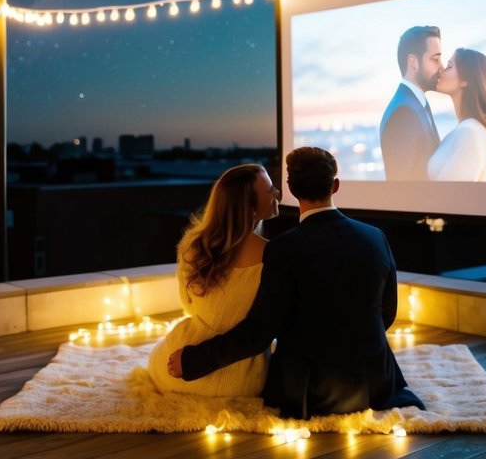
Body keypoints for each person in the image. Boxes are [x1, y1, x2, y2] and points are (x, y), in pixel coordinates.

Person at [168, 147, 424, 419]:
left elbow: (258, 332)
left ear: (290, 190)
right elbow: (387, 313)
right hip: (375, 382)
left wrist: (194, 360)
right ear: (335, 186)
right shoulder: (375, 237)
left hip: (311, 390)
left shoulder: (282, 250)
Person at [147, 163, 281, 397]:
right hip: (243, 380)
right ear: (249, 207)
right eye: (269, 189)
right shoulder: (274, 255)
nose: (277, 193)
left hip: (178, 367)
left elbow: (188, 305)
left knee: (156, 352)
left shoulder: (193, 245)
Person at [427, 47, 486, 182]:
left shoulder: (469, 133)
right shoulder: (469, 130)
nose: (441, 70)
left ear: (466, 80)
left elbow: (447, 199)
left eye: (449, 66)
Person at [379, 25, 443, 180]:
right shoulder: (404, 113)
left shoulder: (415, 104)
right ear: (413, 62)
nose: (441, 67)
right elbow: (403, 188)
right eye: (435, 59)